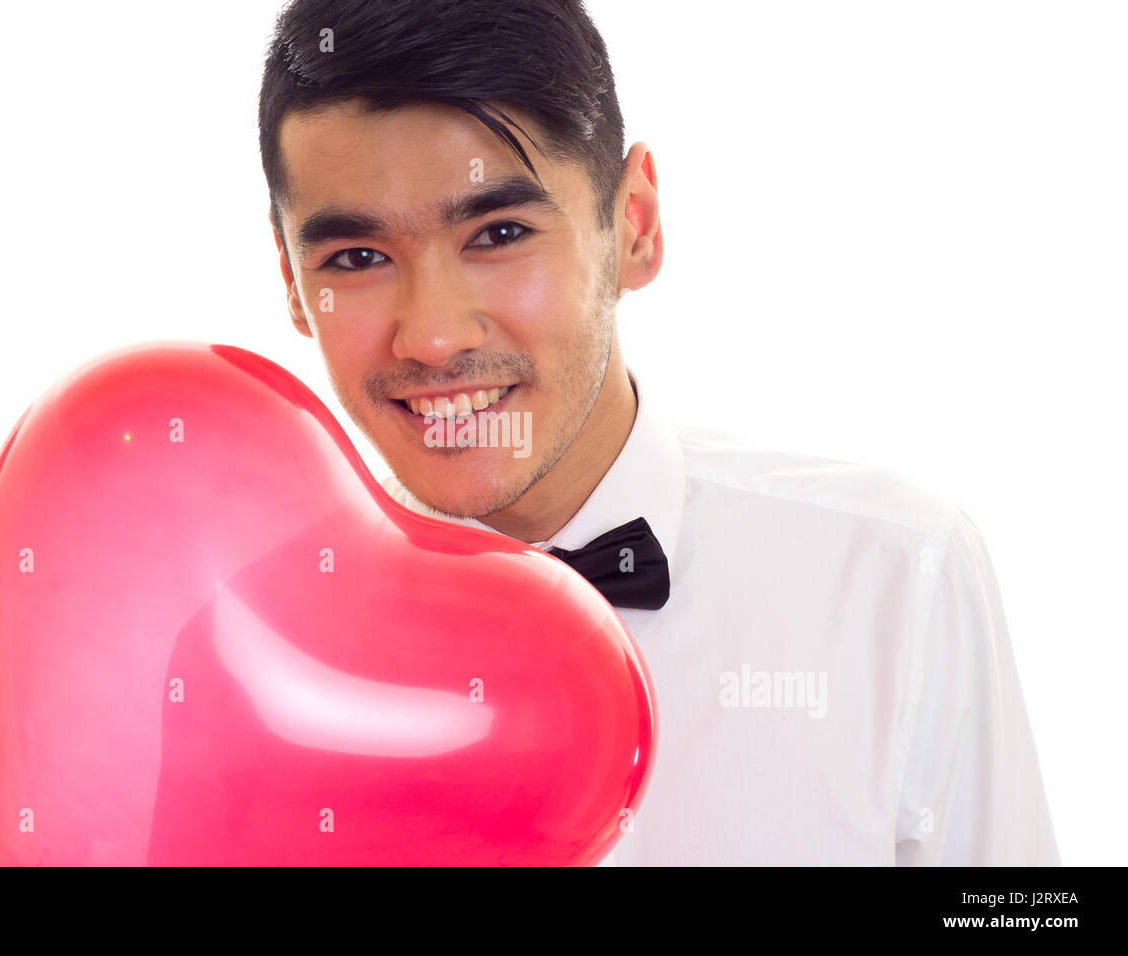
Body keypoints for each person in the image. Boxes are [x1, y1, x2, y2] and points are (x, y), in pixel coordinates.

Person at [257, 0, 1059, 865]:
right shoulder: (257, 645)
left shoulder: (895, 574)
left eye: (500, 233)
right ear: (296, 285)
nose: (434, 337)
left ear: (632, 224)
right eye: (357, 259)